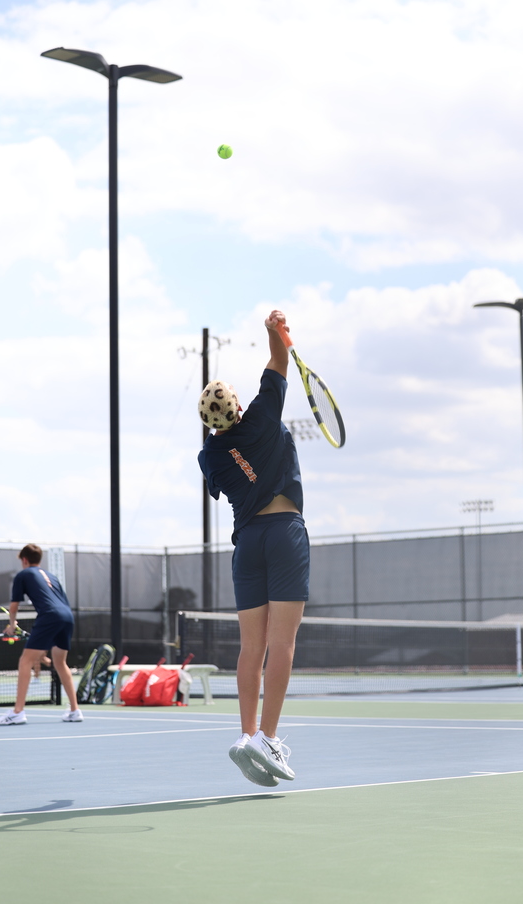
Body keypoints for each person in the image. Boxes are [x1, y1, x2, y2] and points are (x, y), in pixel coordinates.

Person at [198, 309, 309, 786]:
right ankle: (268, 736)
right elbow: (279, 357)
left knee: (251, 647)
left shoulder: (209, 455)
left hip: (247, 545)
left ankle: (246, 735)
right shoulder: (264, 415)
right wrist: (275, 330)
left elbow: (228, 478)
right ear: (237, 406)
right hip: (284, 533)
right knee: (281, 644)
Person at [0, 543, 83, 725]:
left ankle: (18, 712)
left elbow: (14, 606)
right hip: (67, 616)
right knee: (60, 662)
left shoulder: (23, 575)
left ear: (24, 560)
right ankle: (75, 710)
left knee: (25, 661)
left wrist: (11, 625)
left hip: (50, 616)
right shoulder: (51, 576)